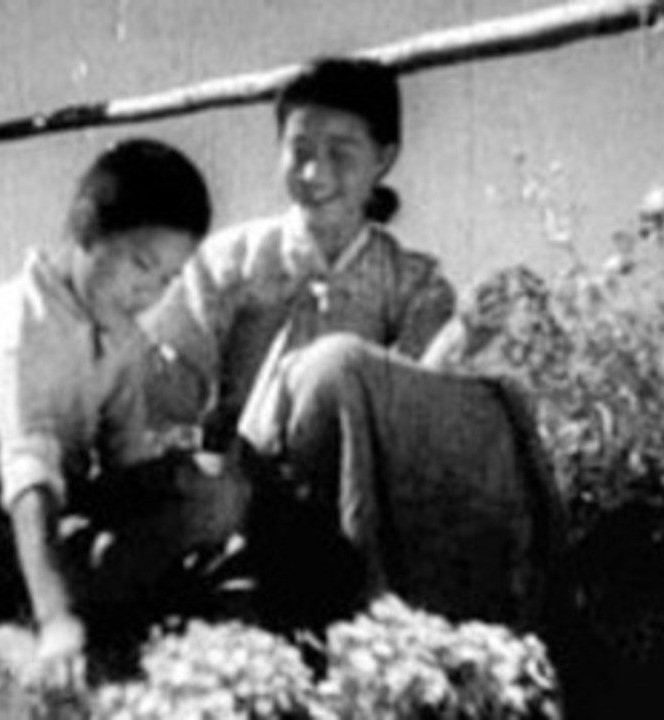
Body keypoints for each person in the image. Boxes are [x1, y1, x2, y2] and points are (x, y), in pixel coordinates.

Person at [143, 57, 565, 631]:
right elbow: (169, 389)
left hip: (358, 492)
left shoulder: (414, 282)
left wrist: (460, 335)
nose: (314, 173)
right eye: (298, 151)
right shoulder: (228, 261)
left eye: (340, 154)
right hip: (247, 482)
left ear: (383, 159)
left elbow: (409, 410)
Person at [0, 138, 213, 689]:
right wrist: (59, 618)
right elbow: (29, 479)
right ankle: (27, 626)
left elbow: (126, 461)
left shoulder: (123, 338)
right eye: (141, 264)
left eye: (167, 280)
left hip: (67, 495)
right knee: (105, 560)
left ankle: (115, 599)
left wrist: (182, 491)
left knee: (211, 491)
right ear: (84, 230)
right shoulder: (17, 327)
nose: (147, 291)